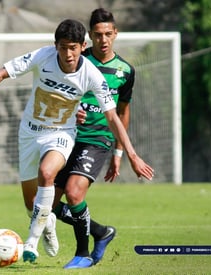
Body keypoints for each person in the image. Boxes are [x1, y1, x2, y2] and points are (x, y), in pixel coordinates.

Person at [0, 18, 154, 264]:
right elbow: (2, 72)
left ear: (82, 46)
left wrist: (131, 155)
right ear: (56, 46)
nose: (68, 53)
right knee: (32, 205)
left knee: (47, 173)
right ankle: (48, 223)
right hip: (30, 133)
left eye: (73, 47)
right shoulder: (43, 56)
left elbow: (114, 117)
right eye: (63, 47)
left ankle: (32, 242)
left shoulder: (92, 75)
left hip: (61, 134)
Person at [52, 8, 137, 269]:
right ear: (90, 36)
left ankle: (83, 253)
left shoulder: (125, 70)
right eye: (98, 34)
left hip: (97, 139)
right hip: (66, 136)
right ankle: (101, 232)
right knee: (45, 204)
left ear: (115, 34)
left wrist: (119, 153)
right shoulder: (77, 59)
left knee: (74, 193)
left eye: (108, 34)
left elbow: (122, 112)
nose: (104, 40)